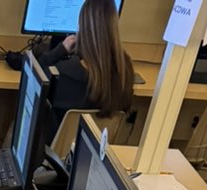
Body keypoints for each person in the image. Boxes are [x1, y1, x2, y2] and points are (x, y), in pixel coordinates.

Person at [37, 0, 134, 142]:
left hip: (57, 156)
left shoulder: (64, 74)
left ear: (81, 26)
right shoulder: (126, 69)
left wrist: (60, 51)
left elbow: (34, 75)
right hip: (96, 155)